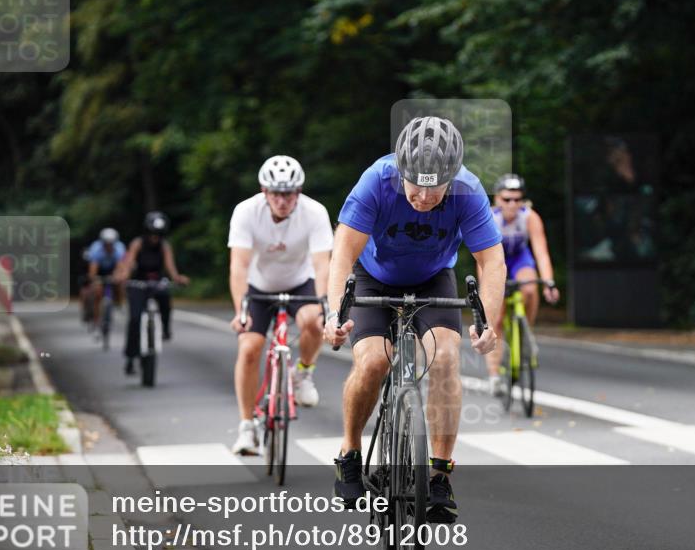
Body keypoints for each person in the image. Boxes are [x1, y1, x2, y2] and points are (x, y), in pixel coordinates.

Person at [324, 116, 505, 524]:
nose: (423, 196)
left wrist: (485, 321)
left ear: (451, 178)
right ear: (400, 171)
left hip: (432, 277)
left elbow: (490, 260)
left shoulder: (468, 190)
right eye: (414, 186)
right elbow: (342, 255)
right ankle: (349, 452)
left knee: (444, 361)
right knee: (372, 361)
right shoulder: (376, 180)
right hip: (373, 278)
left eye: (434, 188)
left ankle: (439, 474)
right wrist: (334, 312)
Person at [228, 155, 333, 455]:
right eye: (276, 193)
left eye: (288, 194)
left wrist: (325, 305)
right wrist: (241, 311)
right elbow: (239, 265)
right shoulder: (246, 212)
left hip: (300, 282)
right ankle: (247, 426)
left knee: (314, 320)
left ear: (298, 192)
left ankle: (303, 373)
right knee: (249, 348)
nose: (282, 200)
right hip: (258, 286)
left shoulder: (315, 213)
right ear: (264, 191)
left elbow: (322, 264)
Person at [484, 174, 559, 396]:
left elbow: (541, 253)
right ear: (497, 199)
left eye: (517, 199)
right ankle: (494, 374)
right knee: (496, 318)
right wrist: (487, 289)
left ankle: (526, 330)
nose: (512, 204)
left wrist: (549, 282)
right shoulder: (489, 218)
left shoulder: (529, 217)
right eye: (507, 199)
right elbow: (483, 260)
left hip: (519, 258)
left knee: (529, 287)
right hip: (495, 260)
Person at [115, 211, 189, 375]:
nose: (155, 237)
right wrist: (124, 276)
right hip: (138, 283)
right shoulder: (138, 243)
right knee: (134, 319)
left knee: (165, 298)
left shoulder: (164, 246)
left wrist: (177, 278)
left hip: (156, 282)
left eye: (159, 234)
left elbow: (170, 266)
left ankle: (166, 328)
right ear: (146, 232)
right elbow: (129, 262)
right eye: (152, 234)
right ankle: (130, 357)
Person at [83, 228, 126, 331]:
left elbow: (121, 266)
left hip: (113, 269)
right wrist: (94, 279)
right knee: (97, 291)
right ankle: (96, 319)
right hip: (100, 270)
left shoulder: (120, 249)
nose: (108, 246)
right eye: (106, 243)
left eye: (111, 243)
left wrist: (118, 276)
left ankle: (119, 303)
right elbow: (93, 268)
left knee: (120, 283)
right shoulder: (96, 249)